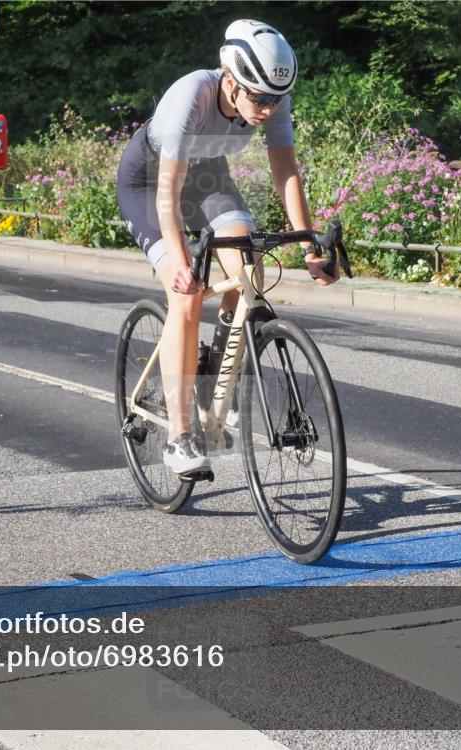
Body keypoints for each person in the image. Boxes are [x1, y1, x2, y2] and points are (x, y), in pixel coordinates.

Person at [117, 19, 338, 476]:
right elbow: (167, 191)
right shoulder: (190, 95)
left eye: (275, 99)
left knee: (250, 270)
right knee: (187, 294)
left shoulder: (272, 98)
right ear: (231, 81)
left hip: (207, 177)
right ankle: (179, 439)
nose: (267, 108)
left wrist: (309, 245)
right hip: (150, 182)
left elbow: (286, 171)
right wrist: (180, 263)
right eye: (258, 98)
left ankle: (213, 378)